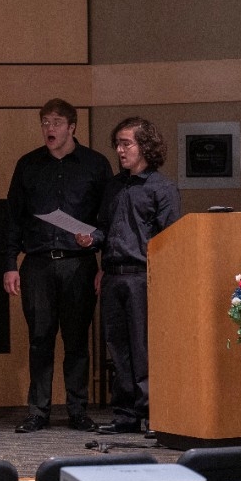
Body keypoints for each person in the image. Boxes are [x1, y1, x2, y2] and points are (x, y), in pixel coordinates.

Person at [3, 98, 112, 434]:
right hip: (36, 264)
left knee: (77, 341)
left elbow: (109, 220)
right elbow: (12, 219)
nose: (49, 129)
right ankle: (38, 411)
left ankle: (78, 410)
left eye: (55, 122)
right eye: (45, 122)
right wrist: (9, 264)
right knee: (40, 339)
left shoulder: (95, 165)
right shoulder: (28, 165)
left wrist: (95, 243)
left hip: (79, 264)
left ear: (72, 127)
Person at [78, 116, 181, 436]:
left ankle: (153, 414)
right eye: (118, 145)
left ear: (145, 146)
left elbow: (171, 238)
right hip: (113, 276)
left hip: (143, 276)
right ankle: (125, 415)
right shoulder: (114, 186)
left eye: (127, 144)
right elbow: (107, 229)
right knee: (117, 347)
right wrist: (91, 238)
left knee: (143, 349)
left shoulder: (162, 189)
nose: (120, 151)